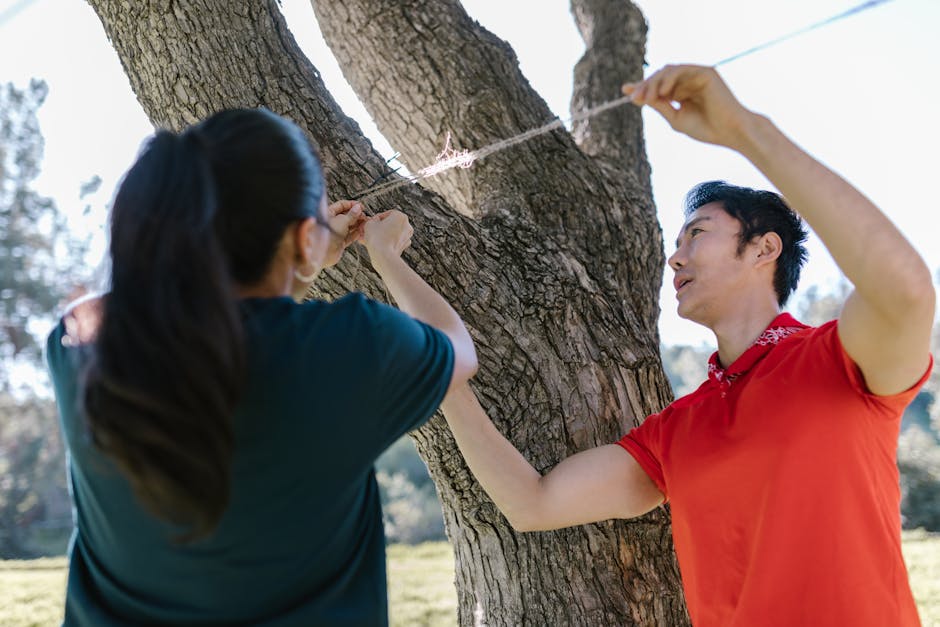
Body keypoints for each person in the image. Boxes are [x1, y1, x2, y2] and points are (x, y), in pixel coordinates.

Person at [439, 64, 934, 626]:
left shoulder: (837, 360)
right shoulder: (677, 428)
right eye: (675, 242)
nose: (675, 257)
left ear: (763, 248)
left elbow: (909, 293)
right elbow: (532, 502)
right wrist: (444, 378)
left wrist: (746, 130)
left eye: (697, 233)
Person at [46, 108, 477, 626]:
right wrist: (385, 258)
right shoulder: (356, 345)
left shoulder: (79, 342)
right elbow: (458, 351)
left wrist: (298, 264)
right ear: (302, 238)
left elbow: (234, 332)